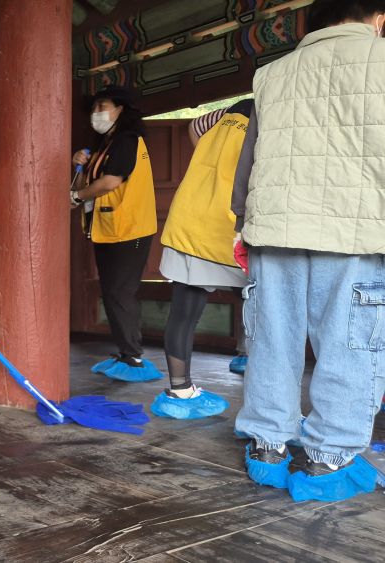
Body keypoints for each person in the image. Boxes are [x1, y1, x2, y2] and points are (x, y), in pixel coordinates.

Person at [232, 0, 385, 502]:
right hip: (357, 229)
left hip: (274, 226)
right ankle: (329, 460)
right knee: (349, 344)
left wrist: (243, 223)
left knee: (272, 337)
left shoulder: (271, 74)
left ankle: (267, 446)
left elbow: (250, 156)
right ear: (378, 19)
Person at [150, 101, 254, 419]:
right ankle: (264, 399)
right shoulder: (271, 117)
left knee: (183, 314)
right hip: (227, 229)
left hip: (190, 219)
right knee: (263, 315)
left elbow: (193, 128)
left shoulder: (224, 117)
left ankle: (179, 390)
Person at [70, 85, 161, 382]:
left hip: (130, 228)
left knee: (121, 292)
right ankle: (125, 352)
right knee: (110, 292)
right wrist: (80, 166)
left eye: (103, 106)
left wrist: (77, 196)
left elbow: (110, 182)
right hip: (107, 228)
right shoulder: (103, 146)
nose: (97, 113)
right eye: (94, 108)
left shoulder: (127, 140)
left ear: (121, 109)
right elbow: (87, 182)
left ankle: (133, 355)